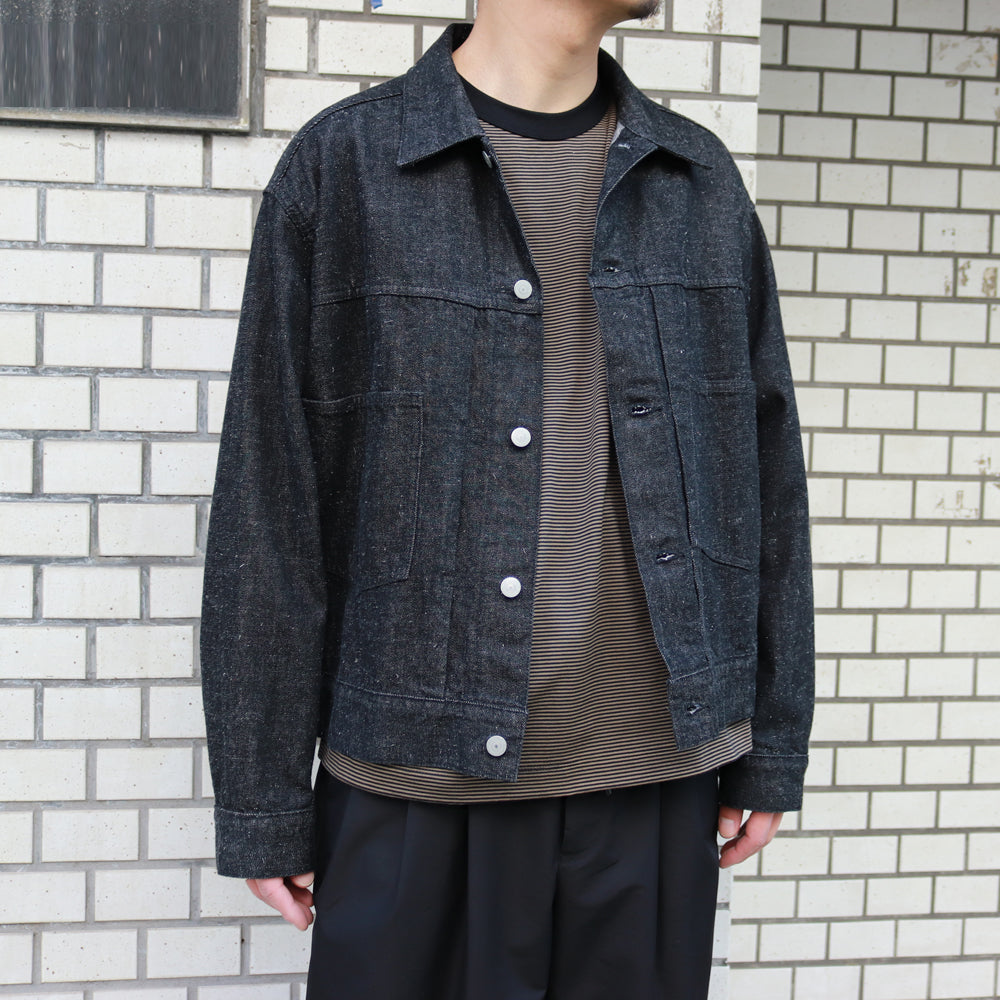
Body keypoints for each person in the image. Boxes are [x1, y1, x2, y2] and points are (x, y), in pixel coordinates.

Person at [200, 2, 815, 997]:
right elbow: (270, 501)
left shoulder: (697, 182)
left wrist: (771, 744)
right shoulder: (348, 168)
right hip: (415, 785)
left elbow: (765, 480)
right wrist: (264, 798)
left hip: (653, 788)